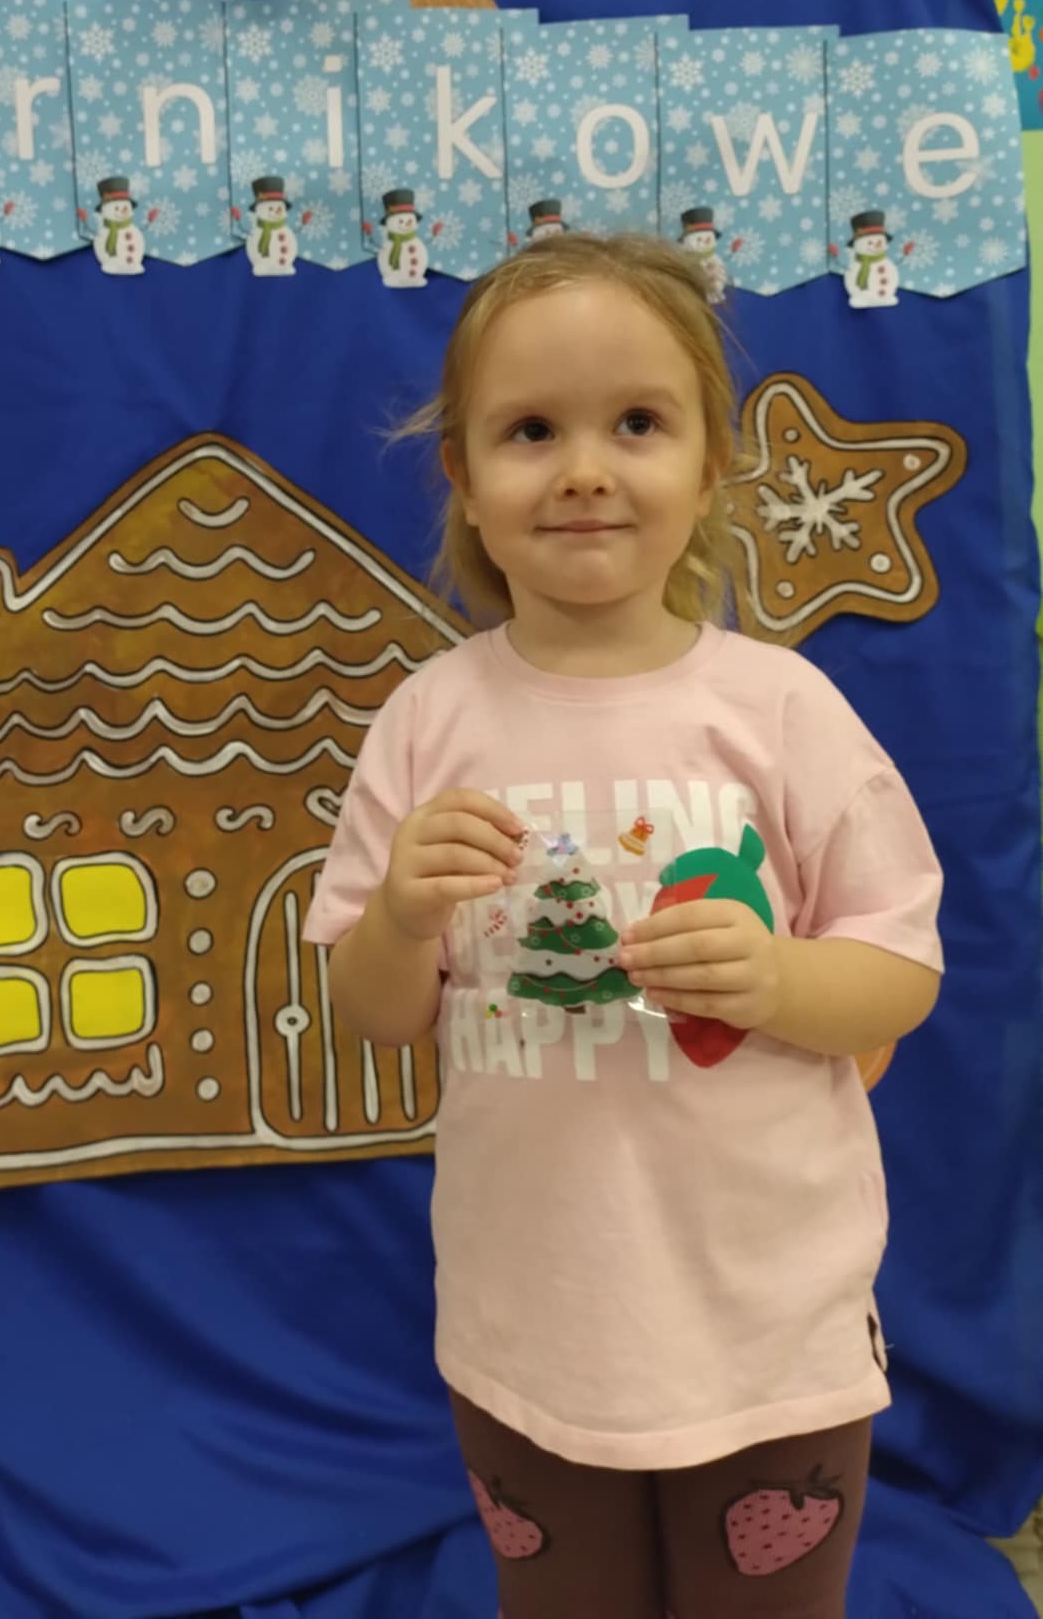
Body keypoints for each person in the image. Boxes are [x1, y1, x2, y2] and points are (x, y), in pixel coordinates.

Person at [302, 232, 943, 1618]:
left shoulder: (781, 711)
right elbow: (372, 1012)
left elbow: (899, 974)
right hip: (530, 1329)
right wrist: (402, 912)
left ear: (711, 464)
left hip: (769, 1325)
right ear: (464, 476)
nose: (586, 469)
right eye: (532, 430)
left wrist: (776, 979)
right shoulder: (428, 720)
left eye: (638, 423)